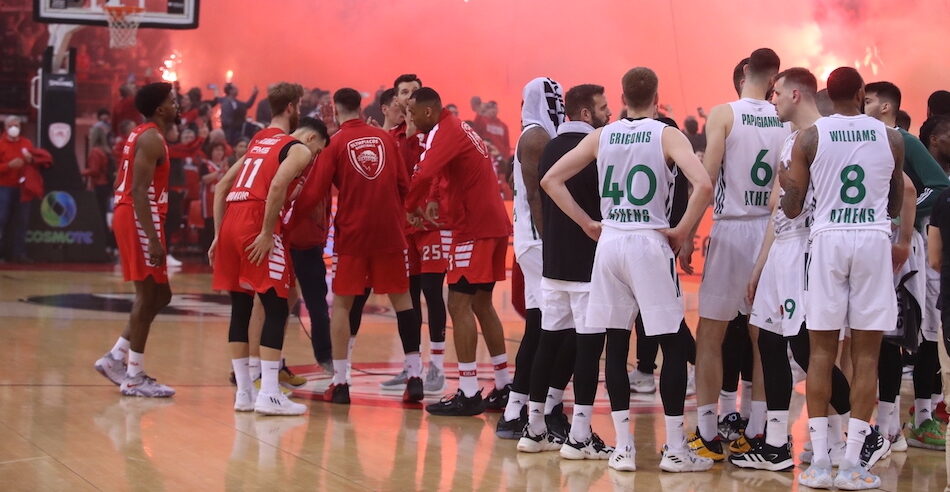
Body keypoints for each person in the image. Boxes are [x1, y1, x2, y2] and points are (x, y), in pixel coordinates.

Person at [542, 67, 713, 472]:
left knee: (615, 346)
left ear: (621, 98)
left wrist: (587, 223)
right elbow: (704, 185)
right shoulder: (667, 134)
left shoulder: (602, 135)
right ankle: (675, 449)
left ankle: (623, 449)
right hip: (648, 242)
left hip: (610, 243)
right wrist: (682, 230)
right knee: (672, 345)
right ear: (657, 97)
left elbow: (551, 180)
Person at [783, 66, 904, 490]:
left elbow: (793, 208)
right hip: (871, 238)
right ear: (861, 93)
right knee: (866, 356)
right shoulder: (891, 138)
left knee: (821, 353)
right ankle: (852, 463)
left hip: (828, 239)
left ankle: (820, 462)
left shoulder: (810, 137)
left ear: (826, 96)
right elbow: (893, 205)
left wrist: (784, 179)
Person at [732, 67, 852, 471]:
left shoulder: (823, 137)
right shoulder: (789, 139)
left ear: (797, 95)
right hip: (781, 250)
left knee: (805, 348)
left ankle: (855, 431)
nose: (773, 100)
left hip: (806, 249)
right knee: (767, 343)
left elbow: (796, 206)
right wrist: (759, 267)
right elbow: (776, 212)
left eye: (778, 94)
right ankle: (776, 444)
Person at [685, 48, 789, 462]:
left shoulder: (724, 113)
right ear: (775, 79)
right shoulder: (784, 118)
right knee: (763, 337)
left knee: (710, 334)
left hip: (732, 228)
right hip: (770, 231)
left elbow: (707, 179)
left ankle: (708, 434)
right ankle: (757, 429)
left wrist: (687, 232)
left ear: (745, 71)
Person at [291, 88, 421, 405]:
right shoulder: (386, 140)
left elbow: (313, 194)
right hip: (390, 232)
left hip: (353, 234)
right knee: (403, 302)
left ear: (335, 110)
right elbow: (404, 185)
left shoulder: (335, 144)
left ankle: (340, 382)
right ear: (361, 108)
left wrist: (287, 222)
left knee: (343, 305)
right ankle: (415, 376)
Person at [511, 83, 610, 455]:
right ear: (585, 113)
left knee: (548, 342)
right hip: (584, 264)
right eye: (603, 107)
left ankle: (534, 427)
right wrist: (589, 225)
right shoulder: (598, 147)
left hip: (552, 264)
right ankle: (580, 435)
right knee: (587, 349)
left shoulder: (549, 145)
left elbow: (541, 195)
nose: (609, 113)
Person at [210, 82, 318, 416]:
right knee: (276, 306)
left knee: (240, 308)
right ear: (292, 107)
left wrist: (217, 236)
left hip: (230, 221)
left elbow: (222, 186)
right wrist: (267, 233)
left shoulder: (257, 140)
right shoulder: (296, 148)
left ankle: (244, 394)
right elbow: (276, 187)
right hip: (255, 222)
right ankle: (270, 394)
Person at [406, 87, 512, 416]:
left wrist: (409, 206)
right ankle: (504, 385)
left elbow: (424, 171)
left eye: (412, 111)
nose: (410, 118)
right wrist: (433, 198)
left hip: (474, 229)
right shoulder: (456, 126)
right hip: (492, 223)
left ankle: (468, 392)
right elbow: (444, 171)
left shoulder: (445, 131)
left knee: (458, 303)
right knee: (481, 303)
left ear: (427, 111)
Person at [865, 81, 950, 450]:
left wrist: (905, 215)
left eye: (868, 100)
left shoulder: (903, 139)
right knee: (879, 334)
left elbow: (937, 184)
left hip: (906, 245)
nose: (862, 105)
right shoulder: (863, 137)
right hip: (872, 242)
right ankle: (886, 424)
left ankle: (919, 418)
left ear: (886, 107)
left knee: (911, 331)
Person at [93, 82, 179, 397]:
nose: (176, 105)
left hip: (136, 215)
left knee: (162, 295)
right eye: (172, 101)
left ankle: (115, 356)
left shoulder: (143, 134)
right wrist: (153, 239)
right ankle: (133, 377)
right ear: (159, 108)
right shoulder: (151, 138)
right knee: (147, 294)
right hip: (138, 215)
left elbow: (127, 182)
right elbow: (139, 191)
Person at [501, 77, 566, 440]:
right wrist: (552, 240)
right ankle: (547, 408)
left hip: (534, 242)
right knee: (559, 327)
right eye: (554, 99)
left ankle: (516, 410)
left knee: (538, 327)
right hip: (539, 242)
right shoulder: (537, 136)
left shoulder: (539, 133)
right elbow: (537, 196)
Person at [384, 73, 450, 396]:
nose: (409, 96)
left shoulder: (434, 133)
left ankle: (437, 366)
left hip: (430, 225)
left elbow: (432, 173)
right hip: (402, 227)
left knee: (432, 292)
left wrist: (413, 136)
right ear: (395, 99)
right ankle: (412, 365)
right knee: (406, 296)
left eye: (415, 92)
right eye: (404, 92)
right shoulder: (391, 136)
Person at [281, 118, 333, 373]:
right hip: (286, 240)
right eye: (319, 149)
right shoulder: (289, 154)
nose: (318, 154)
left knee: (314, 304)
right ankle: (262, 365)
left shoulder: (315, 160)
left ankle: (325, 357)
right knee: (276, 305)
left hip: (306, 242)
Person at [0, 116, 35, 263]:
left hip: (23, 188)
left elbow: (35, 163)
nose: (14, 128)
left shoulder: (27, 143)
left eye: (17, 125)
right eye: (11, 125)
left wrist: (31, 160)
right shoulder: (1, 144)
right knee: (2, 220)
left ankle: (19, 254)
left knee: (22, 221)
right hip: (4, 187)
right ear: (5, 128)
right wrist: (9, 165)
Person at [83, 124, 116, 252]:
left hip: (99, 185)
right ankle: (109, 243)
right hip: (106, 185)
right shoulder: (106, 151)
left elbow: (94, 170)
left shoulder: (95, 152)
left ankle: (103, 242)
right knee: (103, 214)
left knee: (99, 215)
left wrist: (82, 172)